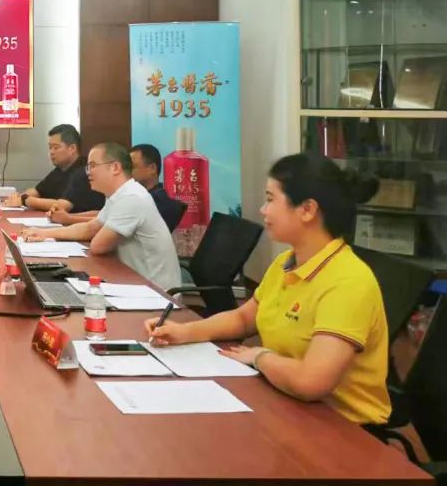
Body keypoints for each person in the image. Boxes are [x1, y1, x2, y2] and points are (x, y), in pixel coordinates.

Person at [145, 153, 389, 426]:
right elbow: (243, 318)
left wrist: (260, 357)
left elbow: (311, 382)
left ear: (307, 210)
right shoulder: (287, 262)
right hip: (287, 403)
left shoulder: (347, 281)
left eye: (271, 199)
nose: (263, 210)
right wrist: (184, 332)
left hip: (343, 428)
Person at [22, 142, 180, 291]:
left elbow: (98, 246)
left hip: (155, 292)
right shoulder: (118, 194)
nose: (88, 172)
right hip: (132, 279)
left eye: (93, 166)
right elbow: (91, 228)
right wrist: (43, 233)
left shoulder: (132, 197)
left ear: (115, 167)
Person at [4, 124, 89, 212]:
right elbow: (38, 191)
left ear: (72, 148)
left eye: (56, 147)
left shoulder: (85, 171)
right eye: (50, 147)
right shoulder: (59, 170)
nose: (51, 152)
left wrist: (25, 200)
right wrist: (17, 197)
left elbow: (62, 205)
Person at [130, 143, 184, 232]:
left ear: (152, 168)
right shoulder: (137, 195)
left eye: (132, 167)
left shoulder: (160, 201)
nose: (128, 172)